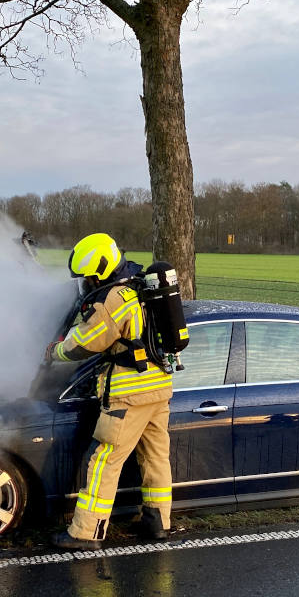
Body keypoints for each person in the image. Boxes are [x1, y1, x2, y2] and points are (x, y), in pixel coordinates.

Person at [44, 232, 174, 550]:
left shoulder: (115, 298)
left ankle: (86, 532)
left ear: (99, 271)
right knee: (156, 456)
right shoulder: (140, 285)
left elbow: (88, 342)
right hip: (159, 386)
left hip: (129, 393)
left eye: (87, 277)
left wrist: (56, 352)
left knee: (103, 460)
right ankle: (157, 521)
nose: (85, 283)